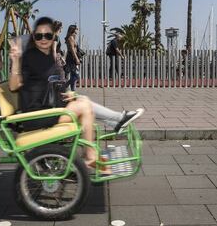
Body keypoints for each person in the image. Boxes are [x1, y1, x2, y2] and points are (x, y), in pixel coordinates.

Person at [8, 17, 143, 169]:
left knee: (82, 98)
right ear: (34, 37)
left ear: (54, 36)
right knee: (84, 107)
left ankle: (113, 125)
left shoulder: (44, 57)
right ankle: (93, 153)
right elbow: (14, 86)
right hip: (36, 115)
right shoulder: (28, 58)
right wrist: (15, 60)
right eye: (39, 36)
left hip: (46, 107)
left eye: (48, 35)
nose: (43, 39)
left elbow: (47, 85)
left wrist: (66, 95)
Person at [64, 24, 80, 91]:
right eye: (76, 29)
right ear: (73, 30)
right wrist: (76, 58)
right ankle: (65, 85)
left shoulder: (72, 37)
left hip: (72, 56)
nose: (77, 30)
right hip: (71, 57)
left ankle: (73, 90)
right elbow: (72, 49)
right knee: (76, 76)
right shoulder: (70, 38)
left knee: (74, 75)